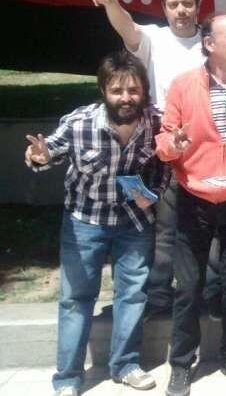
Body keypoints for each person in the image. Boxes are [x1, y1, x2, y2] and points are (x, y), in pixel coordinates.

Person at [25, 51, 169, 396]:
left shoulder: (156, 122)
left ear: (144, 91)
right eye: (117, 91)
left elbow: (166, 164)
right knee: (76, 298)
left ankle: (126, 365)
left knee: (132, 295)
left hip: (134, 221)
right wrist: (39, 156)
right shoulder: (80, 123)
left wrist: (154, 193)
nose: (125, 98)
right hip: (85, 221)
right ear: (103, 90)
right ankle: (68, 378)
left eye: (133, 90)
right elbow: (49, 151)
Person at [155, 14, 226, 396]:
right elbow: (164, 141)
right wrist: (175, 145)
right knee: (188, 288)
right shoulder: (183, 84)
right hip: (195, 198)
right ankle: (180, 365)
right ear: (209, 44)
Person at [91, 0, 208, 319]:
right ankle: (157, 297)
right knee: (161, 227)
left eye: (187, 3)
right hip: (158, 147)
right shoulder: (153, 39)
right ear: (164, 8)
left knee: (201, 228)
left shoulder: (210, 42)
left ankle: (200, 293)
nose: (181, 10)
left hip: (204, 149)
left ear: (197, 6)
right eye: (174, 4)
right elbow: (127, 27)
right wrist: (111, 2)